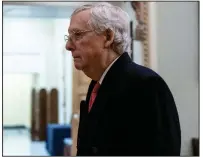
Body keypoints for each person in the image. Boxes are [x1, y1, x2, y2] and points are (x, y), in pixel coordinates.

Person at [65, 2, 181, 156]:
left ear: (108, 36)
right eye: (69, 37)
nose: (68, 45)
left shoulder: (147, 85)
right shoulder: (97, 84)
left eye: (77, 35)